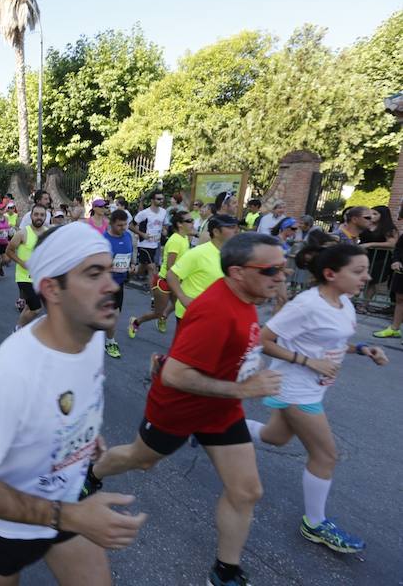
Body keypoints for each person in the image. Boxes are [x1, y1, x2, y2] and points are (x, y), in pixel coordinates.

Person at [0, 222, 147, 586]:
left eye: (108, 270)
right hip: (5, 524)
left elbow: (74, 401)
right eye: (93, 274)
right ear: (52, 289)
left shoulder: (91, 336)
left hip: (67, 503)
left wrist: (84, 435)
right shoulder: (15, 371)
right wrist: (69, 517)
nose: (112, 286)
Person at [85, 232, 287, 586]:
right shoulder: (216, 310)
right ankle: (92, 473)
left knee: (246, 491)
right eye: (271, 270)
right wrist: (241, 387)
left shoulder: (247, 296)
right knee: (141, 459)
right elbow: (177, 375)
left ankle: (225, 571)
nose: (281, 276)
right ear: (238, 272)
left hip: (222, 409)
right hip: (178, 406)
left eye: (284, 268)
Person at [246, 244, 388, 554]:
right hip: (297, 389)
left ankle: (213, 427)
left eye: (365, 270)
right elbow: (264, 340)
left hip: (313, 385)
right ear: (330, 274)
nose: (367, 276)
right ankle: (315, 523)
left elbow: (328, 341)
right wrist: (308, 363)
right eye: (358, 271)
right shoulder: (307, 304)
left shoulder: (343, 302)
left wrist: (362, 349)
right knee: (326, 455)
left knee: (275, 437)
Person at [129, 210, 194, 337]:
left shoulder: (184, 237)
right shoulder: (176, 240)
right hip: (164, 282)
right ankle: (136, 322)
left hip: (175, 281)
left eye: (192, 220)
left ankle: (165, 318)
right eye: (189, 221)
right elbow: (170, 266)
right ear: (180, 224)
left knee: (180, 306)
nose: (192, 223)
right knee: (157, 313)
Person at [166, 215, 240, 324]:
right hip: (192, 314)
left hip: (215, 314)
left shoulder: (232, 254)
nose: (236, 230)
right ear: (216, 232)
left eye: (236, 227)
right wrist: (183, 298)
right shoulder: (198, 253)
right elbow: (171, 275)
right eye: (231, 227)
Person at [7, 205, 48, 329]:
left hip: (39, 276)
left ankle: (20, 327)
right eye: (36, 214)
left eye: (42, 215)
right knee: (36, 309)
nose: (39, 217)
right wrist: (21, 262)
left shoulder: (47, 233)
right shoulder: (23, 233)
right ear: (31, 216)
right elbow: (9, 251)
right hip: (24, 277)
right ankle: (18, 328)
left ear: (45, 217)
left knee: (30, 306)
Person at [102, 209, 134, 358]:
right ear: (112, 224)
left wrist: (132, 264)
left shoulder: (128, 236)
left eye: (125, 224)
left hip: (119, 283)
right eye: (120, 225)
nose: (123, 228)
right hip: (104, 285)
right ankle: (109, 342)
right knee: (110, 315)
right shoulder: (104, 240)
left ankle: (108, 339)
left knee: (114, 314)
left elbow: (130, 253)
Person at [130, 192, 168, 288]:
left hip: (157, 244)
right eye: (158, 199)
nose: (161, 201)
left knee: (143, 265)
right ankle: (153, 297)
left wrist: (164, 230)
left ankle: (132, 273)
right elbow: (130, 226)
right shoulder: (144, 213)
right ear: (152, 200)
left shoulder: (163, 212)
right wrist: (142, 234)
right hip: (145, 244)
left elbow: (163, 225)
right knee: (152, 268)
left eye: (162, 199)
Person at [372, 230, 403, 340]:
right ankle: (394, 329)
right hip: (401, 270)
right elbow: (398, 248)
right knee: (399, 299)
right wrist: (396, 261)